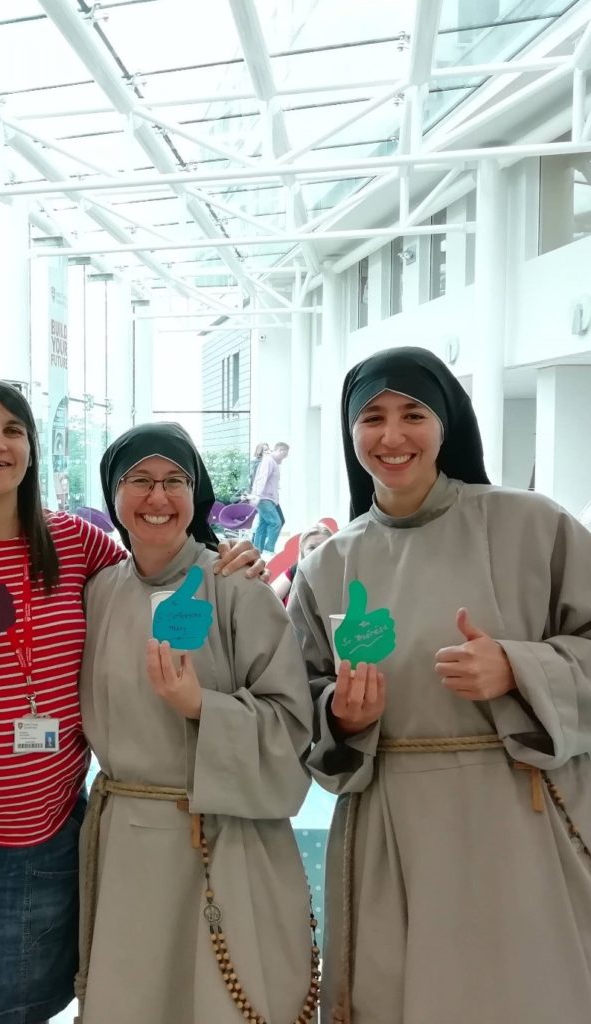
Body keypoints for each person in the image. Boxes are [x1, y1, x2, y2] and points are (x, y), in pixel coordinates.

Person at [0, 380, 264, 1024]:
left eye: (13, 431)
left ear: (31, 451)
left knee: (33, 1010)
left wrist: (228, 560)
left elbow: (156, 566)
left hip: (52, 831)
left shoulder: (79, 545)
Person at [286, 346, 591, 1023]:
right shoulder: (328, 564)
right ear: (351, 433)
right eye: (372, 417)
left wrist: (518, 666)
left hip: (517, 819)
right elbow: (294, 700)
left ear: (446, 423)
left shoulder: (530, 525)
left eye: (412, 414)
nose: (392, 437)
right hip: (391, 828)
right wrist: (340, 716)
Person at [75, 423, 319, 1024]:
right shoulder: (101, 590)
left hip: (218, 839)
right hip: (126, 843)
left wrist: (201, 707)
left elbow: (292, 726)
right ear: (114, 495)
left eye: (174, 481)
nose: (157, 498)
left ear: (196, 493)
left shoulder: (235, 586)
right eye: (139, 480)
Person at [270, 523, 334, 605]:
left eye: (324, 547)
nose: (318, 552)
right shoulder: (293, 572)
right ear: (302, 550)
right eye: (312, 548)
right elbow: (268, 602)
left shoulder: (340, 575)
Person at [251, 441, 289, 555]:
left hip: (269, 499)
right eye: (285, 454)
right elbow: (261, 478)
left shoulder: (273, 462)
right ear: (280, 450)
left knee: (263, 524)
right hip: (264, 498)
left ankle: (256, 551)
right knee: (276, 522)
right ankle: (268, 550)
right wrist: (257, 495)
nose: (285, 457)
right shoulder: (268, 460)